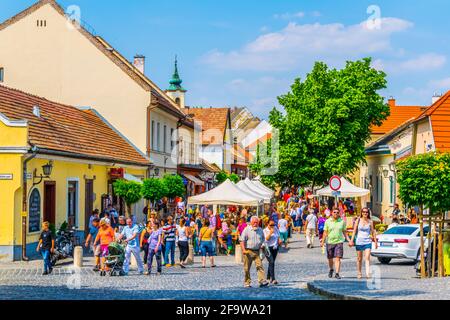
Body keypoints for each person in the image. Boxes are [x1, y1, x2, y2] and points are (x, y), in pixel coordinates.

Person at [320, 208, 350, 280]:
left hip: (339, 242)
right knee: (330, 258)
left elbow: (344, 232)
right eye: (334, 212)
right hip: (330, 242)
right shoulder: (327, 221)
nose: (336, 213)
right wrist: (322, 241)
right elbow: (325, 232)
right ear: (331, 213)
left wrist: (349, 240)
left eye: (337, 212)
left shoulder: (342, 222)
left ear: (339, 213)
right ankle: (331, 269)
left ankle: (337, 273)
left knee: (338, 258)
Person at [240, 216, 269, 288]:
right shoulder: (246, 230)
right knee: (246, 268)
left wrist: (262, 245)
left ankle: (262, 281)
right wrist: (243, 250)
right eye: (254, 222)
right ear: (251, 222)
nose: (255, 224)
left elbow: (263, 239)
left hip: (257, 251)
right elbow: (242, 240)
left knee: (260, 266)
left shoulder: (260, 230)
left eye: (257, 222)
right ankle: (247, 282)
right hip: (248, 251)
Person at [349, 208, 378, 279]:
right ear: (361, 213)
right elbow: (354, 231)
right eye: (364, 212)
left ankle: (368, 273)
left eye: (366, 212)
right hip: (359, 241)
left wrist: (375, 242)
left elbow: (373, 232)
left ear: (368, 213)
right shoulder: (358, 221)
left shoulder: (370, 221)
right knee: (359, 258)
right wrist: (351, 241)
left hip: (367, 241)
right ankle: (359, 272)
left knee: (367, 257)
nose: (365, 213)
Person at [264, 220, 281, 284]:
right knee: (271, 262)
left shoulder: (276, 228)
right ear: (267, 224)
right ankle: (273, 279)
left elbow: (278, 236)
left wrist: (279, 240)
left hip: (275, 247)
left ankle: (268, 278)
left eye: (273, 225)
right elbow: (266, 239)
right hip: (267, 248)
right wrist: (270, 233)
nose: (272, 226)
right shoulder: (265, 230)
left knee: (271, 262)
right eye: (271, 225)